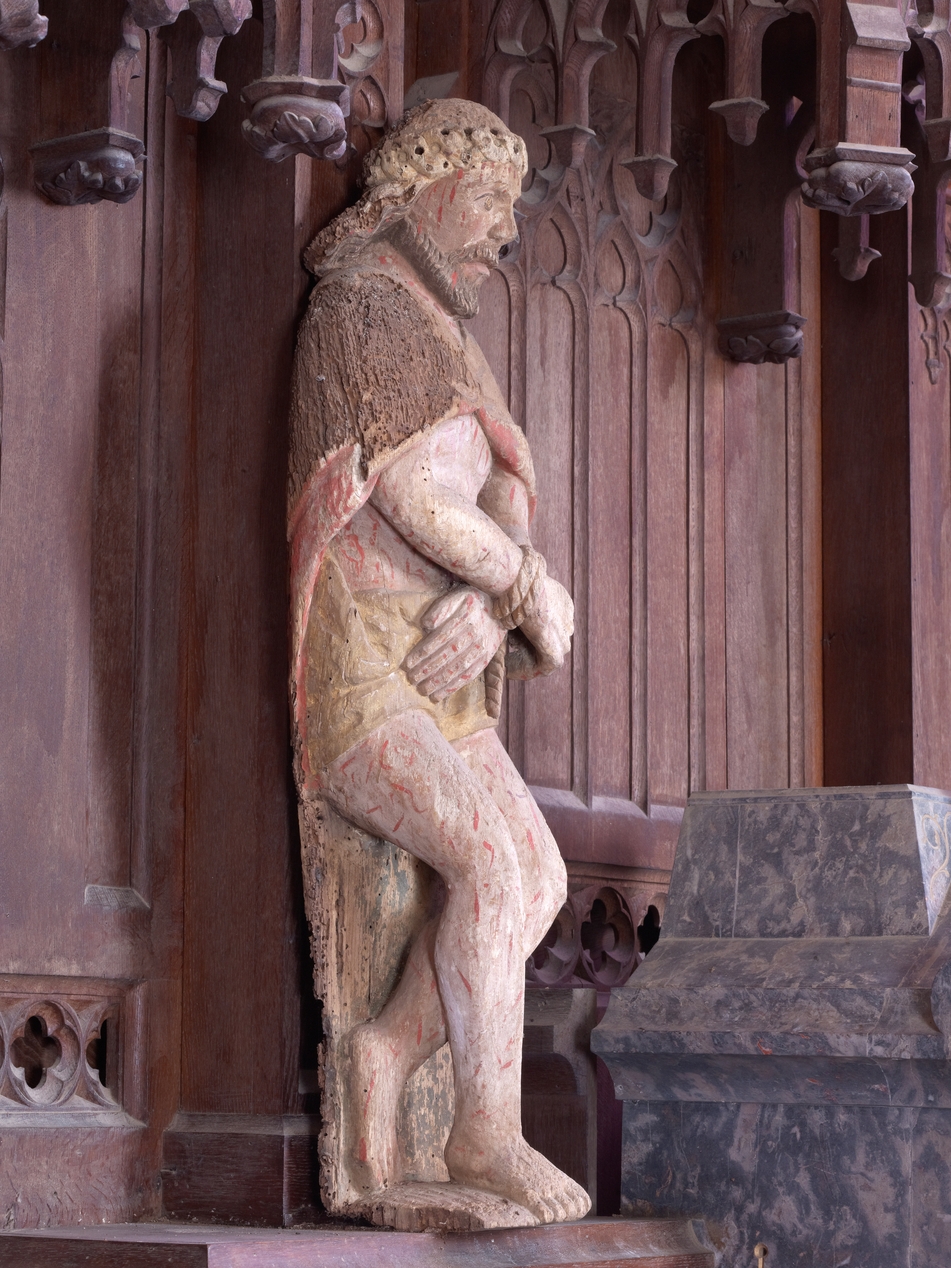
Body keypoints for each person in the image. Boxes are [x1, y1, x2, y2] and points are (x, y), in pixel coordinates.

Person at [288, 97, 589, 1226]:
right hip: (362, 669)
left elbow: (501, 489)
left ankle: (384, 1051)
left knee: (539, 876)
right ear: (423, 189)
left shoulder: (448, 336)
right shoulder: (363, 306)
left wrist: (490, 597)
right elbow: (412, 494)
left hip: (441, 674)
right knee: (492, 866)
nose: (504, 234)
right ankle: (483, 1130)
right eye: (491, 202)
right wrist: (521, 587)